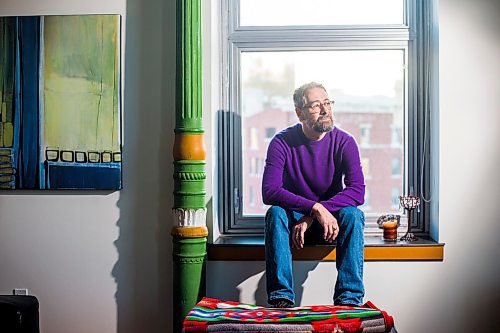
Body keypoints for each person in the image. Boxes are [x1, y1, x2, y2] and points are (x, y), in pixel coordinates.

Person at [262, 82, 366, 308]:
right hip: (294, 227)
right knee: (276, 212)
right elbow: (269, 191)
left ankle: (349, 301)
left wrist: (315, 214)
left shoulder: (345, 142)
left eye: (328, 103)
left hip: (330, 226)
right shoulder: (281, 142)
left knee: (353, 215)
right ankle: (281, 299)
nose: (326, 110)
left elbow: (357, 191)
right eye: (316, 105)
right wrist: (314, 208)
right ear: (299, 112)